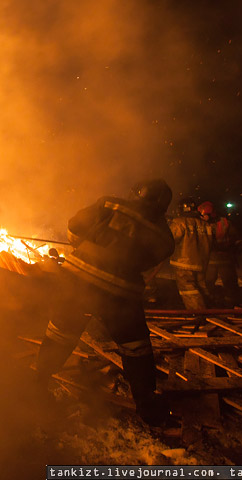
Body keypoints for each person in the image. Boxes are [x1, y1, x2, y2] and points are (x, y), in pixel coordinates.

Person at [35, 179, 175, 425]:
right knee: (136, 347)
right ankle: (146, 405)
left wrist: (86, 244)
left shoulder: (111, 204)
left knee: (60, 333)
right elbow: (153, 260)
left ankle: (37, 384)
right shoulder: (163, 232)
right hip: (120, 292)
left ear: (138, 193)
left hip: (78, 280)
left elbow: (74, 228)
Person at [169, 197, 215, 308]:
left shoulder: (179, 223)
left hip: (183, 263)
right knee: (201, 287)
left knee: (189, 290)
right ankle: (210, 309)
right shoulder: (206, 225)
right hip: (201, 263)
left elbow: (170, 240)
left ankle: (198, 313)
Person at [198, 201, 242, 305]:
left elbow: (234, 235)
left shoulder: (224, 222)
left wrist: (241, 246)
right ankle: (210, 300)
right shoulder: (200, 224)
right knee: (208, 282)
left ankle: (232, 302)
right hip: (210, 258)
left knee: (229, 282)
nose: (203, 217)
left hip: (224, 257)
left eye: (205, 215)